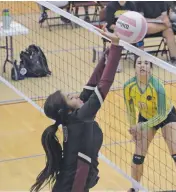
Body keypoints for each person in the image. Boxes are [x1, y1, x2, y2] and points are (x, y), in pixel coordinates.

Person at [30, 26, 123, 192]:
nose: (74, 95)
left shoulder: (75, 116)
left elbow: (93, 83)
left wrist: (108, 53)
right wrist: (116, 48)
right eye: (69, 98)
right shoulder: (81, 117)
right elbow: (104, 85)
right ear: (65, 110)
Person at [124, 57, 176, 192]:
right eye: (139, 63)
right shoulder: (128, 86)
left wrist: (141, 126)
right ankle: (135, 188)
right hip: (145, 117)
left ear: (151, 69)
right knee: (138, 156)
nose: (142, 65)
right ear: (135, 68)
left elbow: (161, 116)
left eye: (146, 63)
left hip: (167, 116)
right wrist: (134, 127)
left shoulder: (157, 86)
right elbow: (130, 109)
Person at [135, 1, 176, 68]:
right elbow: (141, 19)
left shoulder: (162, 2)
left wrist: (165, 20)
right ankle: (173, 26)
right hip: (145, 28)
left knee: (169, 31)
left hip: (159, 26)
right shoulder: (139, 2)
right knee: (147, 26)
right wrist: (154, 20)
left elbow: (164, 17)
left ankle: (174, 59)